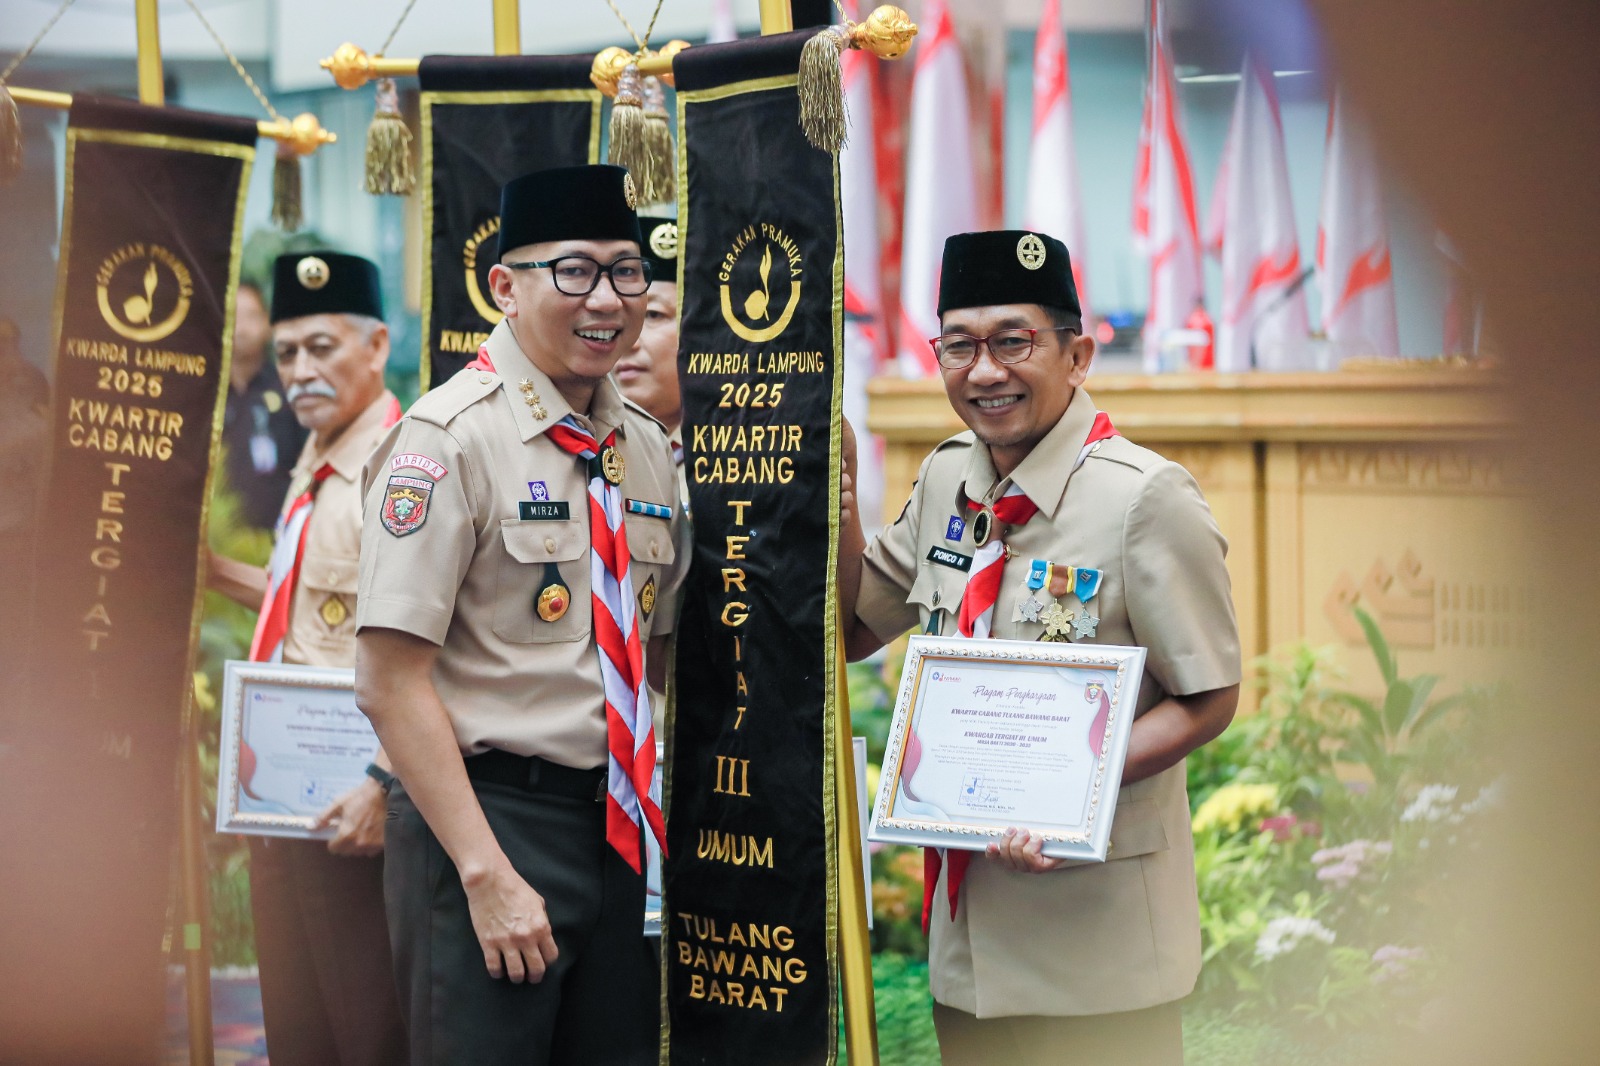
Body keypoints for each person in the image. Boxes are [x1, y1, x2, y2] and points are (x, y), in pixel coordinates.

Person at [836, 230, 1242, 1065]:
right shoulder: (950, 478)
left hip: (1098, 947)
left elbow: (1210, 696)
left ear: (1078, 353)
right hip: (971, 945)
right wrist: (840, 496)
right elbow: (849, 631)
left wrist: (1067, 788)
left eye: (1013, 341)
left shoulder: (1145, 499)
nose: (985, 371)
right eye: (959, 345)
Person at [354, 165, 684, 1066]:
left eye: (628, 272)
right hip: (490, 823)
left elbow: (655, 654)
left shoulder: (644, 449)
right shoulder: (447, 439)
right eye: (573, 271)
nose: (607, 300)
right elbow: (388, 683)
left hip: (616, 829)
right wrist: (485, 872)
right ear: (505, 285)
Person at [207, 252, 407, 1066]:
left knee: (366, 1036)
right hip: (291, 803)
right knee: (301, 1034)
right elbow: (315, 606)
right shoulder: (320, 458)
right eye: (288, 353)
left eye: (322, 347)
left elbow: (446, 645)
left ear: (377, 346)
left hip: (356, 810)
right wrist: (212, 572)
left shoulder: (399, 469)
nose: (300, 371)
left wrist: (385, 784)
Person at [222, 281, 310, 531]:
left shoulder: (290, 388)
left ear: (268, 325)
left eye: (251, 316)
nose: (242, 327)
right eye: (233, 316)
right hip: (218, 535)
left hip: (279, 533)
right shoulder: (207, 393)